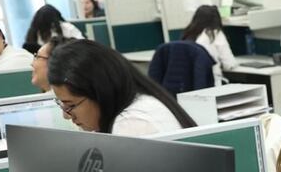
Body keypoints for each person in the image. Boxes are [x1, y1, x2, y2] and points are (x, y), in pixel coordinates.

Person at [46, 40, 196, 136]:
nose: (66, 116)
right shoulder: (141, 100)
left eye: (71, 105)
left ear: (100, 91)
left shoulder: (132, 124)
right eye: (62, 105)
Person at [180, 5, 238, 86]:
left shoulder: (188, 34)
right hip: (212, 83)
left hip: (190, 85)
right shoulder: (215, 33)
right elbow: (229, 65)